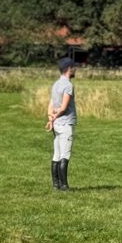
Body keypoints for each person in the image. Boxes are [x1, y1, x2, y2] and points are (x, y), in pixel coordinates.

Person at [47, 56, 77, 190]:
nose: (75, 70)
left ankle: (56, 185)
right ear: (69, 69)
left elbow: (51, 105)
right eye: (73, 68)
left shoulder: (56, 84)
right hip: (65, 124)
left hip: (57, 125)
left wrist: (51, 119)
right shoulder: (68, 85)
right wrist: (55, 116)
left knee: (56, 155)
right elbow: (64, 107)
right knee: (65, 155)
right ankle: (64, 186)